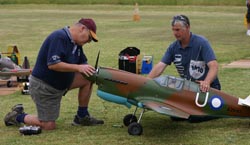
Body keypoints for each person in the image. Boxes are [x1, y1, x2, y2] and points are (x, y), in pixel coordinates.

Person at [4, 18, 104, 130]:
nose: (88, 41)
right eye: (89, 38)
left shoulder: (76, 45)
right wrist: (79, 67)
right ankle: (17, 116)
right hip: (44, 87)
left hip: (61, 84)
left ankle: (82, 116)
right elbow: (53, 64)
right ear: (82, 29)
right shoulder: (59, 37)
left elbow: (83, 64)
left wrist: (94, 72)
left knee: (88, 77)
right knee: (48, 125)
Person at [148, 15, 221, 122]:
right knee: (175, 116)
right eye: (173, 30)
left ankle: (217, 113)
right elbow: (160, 66)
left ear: (187, 27)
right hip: (189, 90)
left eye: (178, 30)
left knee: (193, 118)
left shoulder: (201, 43)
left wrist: (206, 82)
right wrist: (146, 82)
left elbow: (214, 65)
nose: (175, 33)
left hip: (208, 89)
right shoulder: (173, 47)